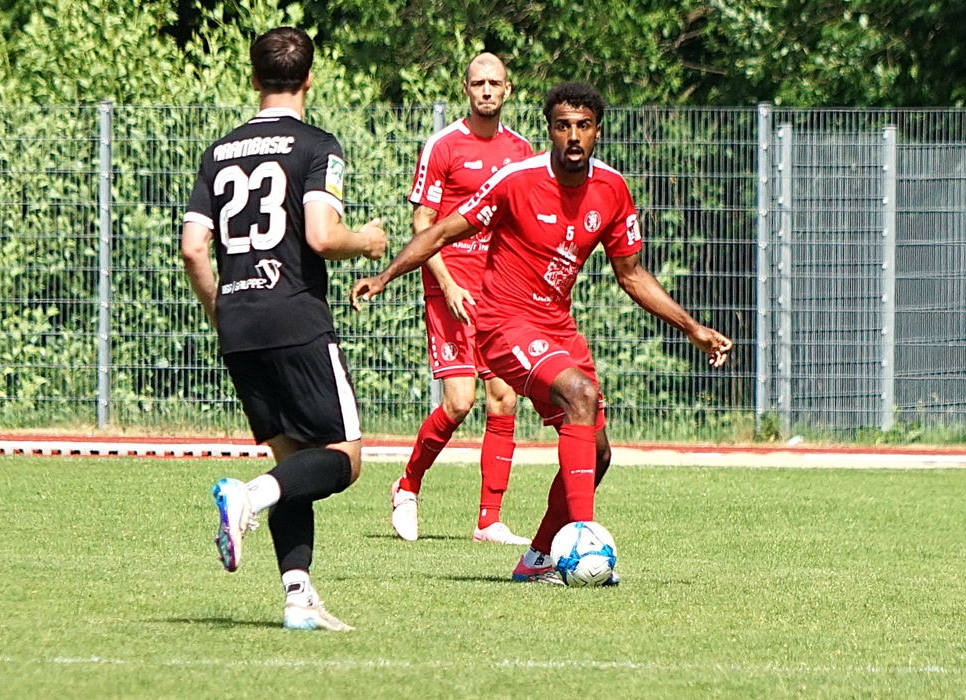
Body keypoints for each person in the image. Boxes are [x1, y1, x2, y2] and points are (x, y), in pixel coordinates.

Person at [350, 82, 732, 584]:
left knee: (598, 453)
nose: (573, 136)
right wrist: (384, 277)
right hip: (503, 323)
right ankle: (584, 543)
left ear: (597, 131)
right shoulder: (517, 180)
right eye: (563, 126)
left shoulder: (612, 189)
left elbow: (632, 275)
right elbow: (440, 230)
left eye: (583, 126)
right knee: (579, 393)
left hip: (557, 326)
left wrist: (692, 328)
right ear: (549, 130)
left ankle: (536, 560)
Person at [181, 26, 386, 629]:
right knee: (343, 459)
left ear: (254, 78)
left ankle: (298, 597)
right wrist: (367, 241)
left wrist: (221, 308)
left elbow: (193, 248)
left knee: (291, 462)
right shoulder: (317, 145)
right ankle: (248, 496)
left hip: (239, 322)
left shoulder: (219, 152)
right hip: (296, 315)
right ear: (309, 79)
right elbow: (321, 235)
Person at [391, 53, 534, 545]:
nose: (487, 90)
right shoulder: (444, 145)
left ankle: (488, 521)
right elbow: (422, 225)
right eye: (478, 83)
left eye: (495, 83)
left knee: (504, 398)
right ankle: (407, 486)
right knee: (459, 402)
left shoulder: (521, 150)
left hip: (500, 296)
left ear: (508, 90)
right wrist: (449, 284)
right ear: (466, 89)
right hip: (449, 289)